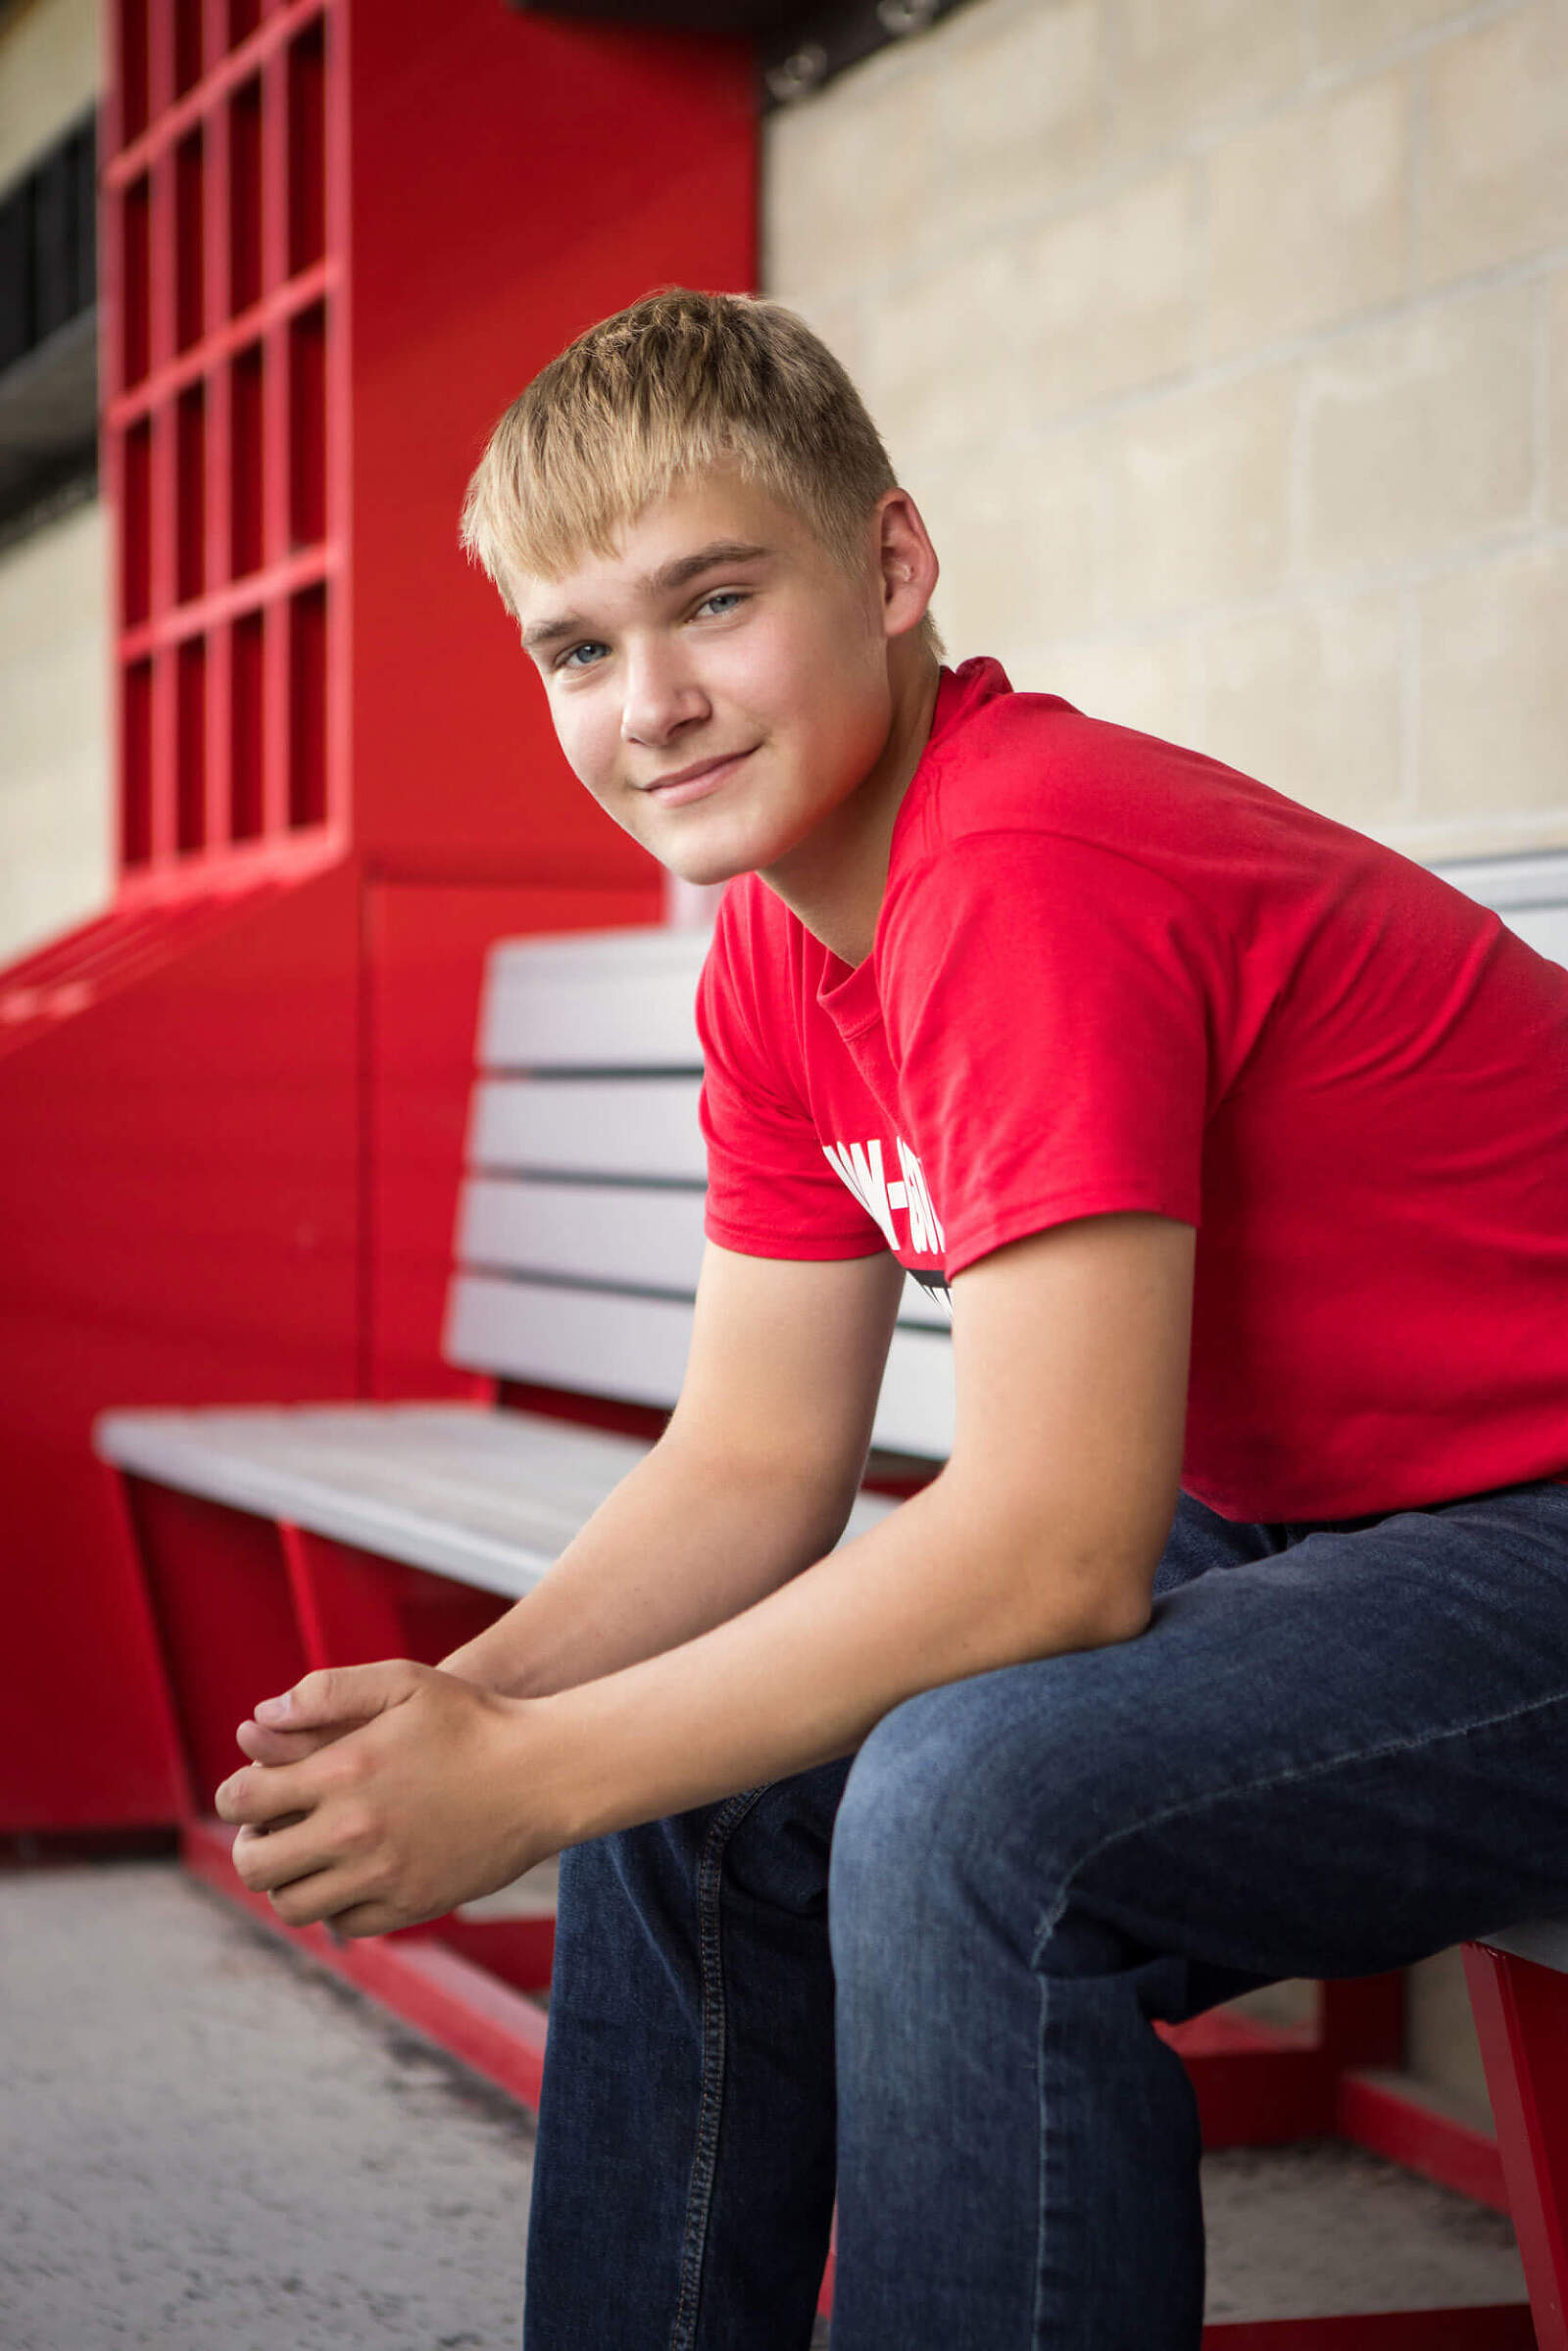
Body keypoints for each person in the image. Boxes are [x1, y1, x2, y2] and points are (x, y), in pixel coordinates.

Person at [215, 289, 1568, 2351]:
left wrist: (530, 1777)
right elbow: (755, 1462)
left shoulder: (1024, 857)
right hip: (1362, 1529)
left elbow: (1049, 1551)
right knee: (680, 1774)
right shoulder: (775, 955)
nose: (648, 701)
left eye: (712, 602)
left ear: (892, 567)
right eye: (576, 648)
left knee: (972, 1814)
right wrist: (474, 1722)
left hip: (1524, 1533)